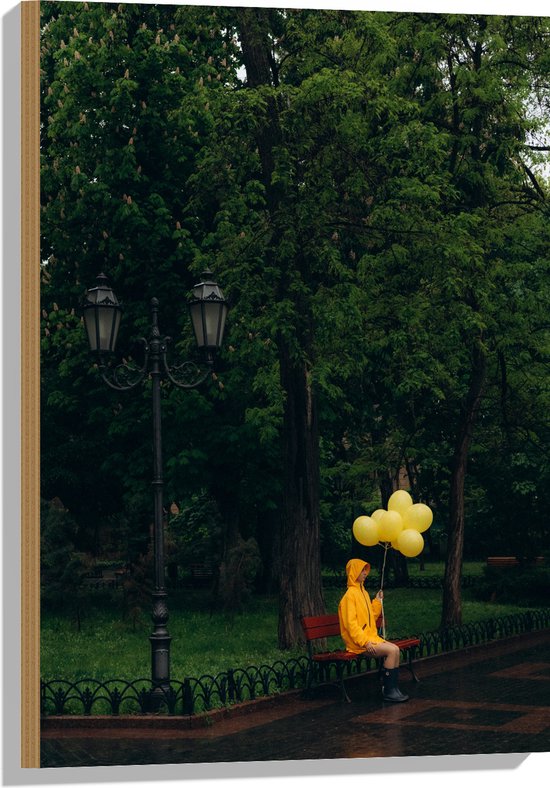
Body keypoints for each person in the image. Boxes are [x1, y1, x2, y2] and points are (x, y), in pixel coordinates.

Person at [338, 557, 409, 702]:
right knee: (391, 651)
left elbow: (370, 617)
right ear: (353, 572)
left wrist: (377, 601)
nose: (365, 573)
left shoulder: (362, 592)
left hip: (370, 638)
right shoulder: (349, 597)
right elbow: (352, 626)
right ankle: (389, 691)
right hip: (359, 644)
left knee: (395, 649)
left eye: (366, 570)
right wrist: (365, 642)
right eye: (362, 570)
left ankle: (392, 688)